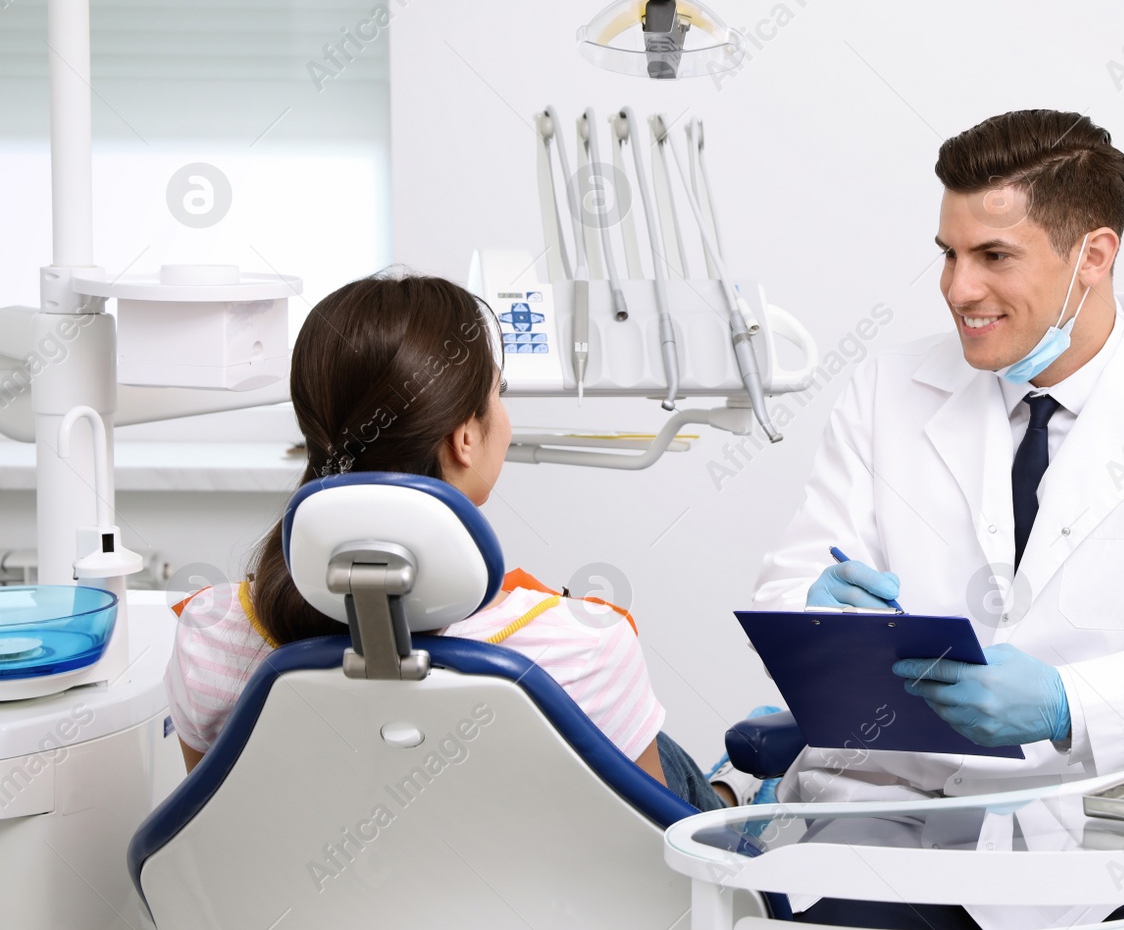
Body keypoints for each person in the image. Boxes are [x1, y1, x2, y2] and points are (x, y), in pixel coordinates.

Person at [753, 110, 1124, 928]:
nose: (959, 289)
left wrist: (1075, 704)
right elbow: (791, 581)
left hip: (1119, 828)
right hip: (908, 819)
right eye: (949, 254)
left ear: (1093, 257)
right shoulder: (883, 392)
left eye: (993, 256)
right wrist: (813, 609)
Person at [165, 273, 755, 812]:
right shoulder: (579, 648)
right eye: (498, 392)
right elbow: (660, 875)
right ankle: (737, 793)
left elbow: (214, 846)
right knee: (676, 770)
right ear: (465, 436)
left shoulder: (211, 637)